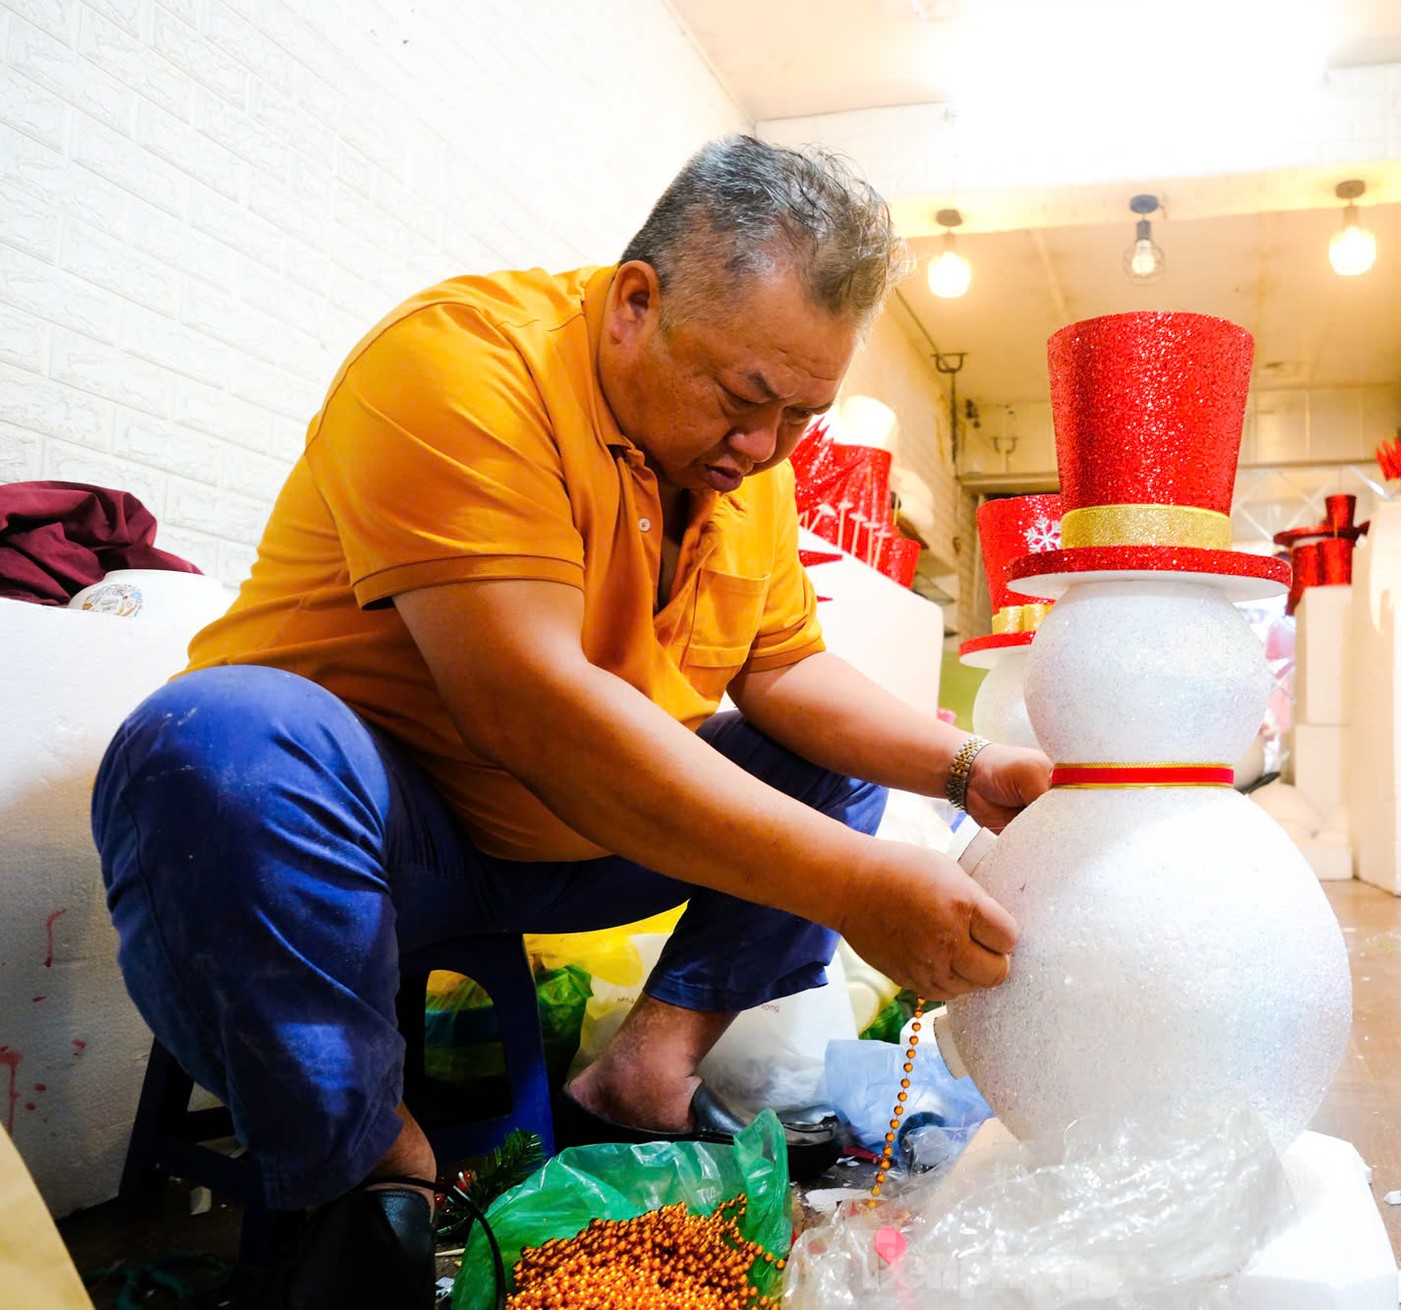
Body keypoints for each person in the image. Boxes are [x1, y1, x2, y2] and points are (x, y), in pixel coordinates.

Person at [91, 136, 1044, 1308]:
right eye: (745, 398)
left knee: (821, 765)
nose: (765, 448)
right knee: (215, 744)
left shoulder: (750, 468)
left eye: (802, 414)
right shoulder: (461, 364)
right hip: (388, 833)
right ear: (635, 302)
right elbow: (529, 705)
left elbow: (784, 668)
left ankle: (641, 1078)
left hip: (574, 848)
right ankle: (378, 1177)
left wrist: (967, 765)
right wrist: (858, 887)